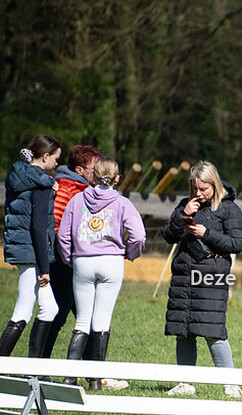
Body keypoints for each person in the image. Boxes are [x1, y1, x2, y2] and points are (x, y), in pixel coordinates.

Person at [57, 156, 146, 390]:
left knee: (82, 320)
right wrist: (130, 253)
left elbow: (63, 235)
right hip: (111, 261)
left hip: (83, 260)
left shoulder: (77, 200)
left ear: (93, 176)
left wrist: (69, 258)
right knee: (102, 320)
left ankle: (69, 377)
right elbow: (138, 236)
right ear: (117, 179)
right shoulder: (123, 203)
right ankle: (95, 379)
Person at [162, 161, 242, 398]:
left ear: (215, 185)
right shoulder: (185, 204)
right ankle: (186, 383)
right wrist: (184, 215)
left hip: (211, 275)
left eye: (204, 189)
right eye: (195, 188)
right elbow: (168, 236)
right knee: (184, 330)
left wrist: (206, 234)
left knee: (213, 330)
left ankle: (230, 384)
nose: (198, 193)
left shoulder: (229, 209)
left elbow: (236, 243)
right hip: (184, 277)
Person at [0, 135, 61, 371]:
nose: (57, 163)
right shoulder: (41, 183)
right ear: (45, 157)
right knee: (23, 310)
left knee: (50, 308)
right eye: (55, 158)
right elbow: (38, 227)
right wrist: (45, 268)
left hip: (23, 247)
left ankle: (34, 371)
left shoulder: (20, 174)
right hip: (32, 252)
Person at [41, 145, 102, 362]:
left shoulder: (86, 190)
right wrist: (68, 256)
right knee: (59, 315)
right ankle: (38, 366)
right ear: (80, 170)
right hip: (63, 263)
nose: (99, 173)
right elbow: (56, 227)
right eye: (95, 169)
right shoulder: (66, 189)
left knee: (89, 317)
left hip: (79, 263)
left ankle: (94, 372)